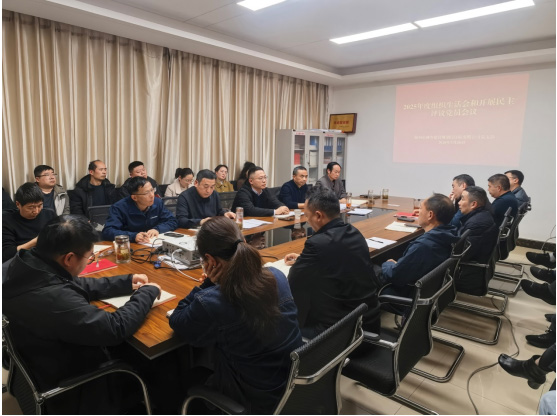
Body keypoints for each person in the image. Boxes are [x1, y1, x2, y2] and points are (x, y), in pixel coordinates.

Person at [2, 215, 161, 413]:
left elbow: (71, 283)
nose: (90, 261)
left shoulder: (28, 264)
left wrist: (126, 282)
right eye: (90, 257)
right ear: (69, 258)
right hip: (71, 381)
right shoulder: (54, 299)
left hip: (43, 356)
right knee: (155, 358)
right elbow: (115, 327)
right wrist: (147, 293)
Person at [169, 216, 302, 414]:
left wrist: (207, 283)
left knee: (184, 379)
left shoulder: (212, 301)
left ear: (210, 261)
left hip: (254, 402)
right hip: (294, 388)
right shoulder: (276, 275)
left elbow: (177, 320)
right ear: (244, 242)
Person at [284, 187, 380, 338]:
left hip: (337, 334)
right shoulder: (354, 233)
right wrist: (305, 259)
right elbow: (338, 257)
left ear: (318, 215)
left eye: (307, 216)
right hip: (368, 323)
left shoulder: (317, 244)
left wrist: (305, 261)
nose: (307, 221)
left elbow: (293, 282)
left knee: (276, 329)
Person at [375, 194, 458, 299]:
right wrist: (401, 264)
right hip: (427, 290)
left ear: (430, 215)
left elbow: (394, 276)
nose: (418, 211)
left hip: (407, 292)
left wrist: (388, 264)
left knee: (368, 266)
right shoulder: (448, 234)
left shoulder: (423, 246)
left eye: (421, 208)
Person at [102, 177, 177, 243]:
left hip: (152, 243)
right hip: (131, 246)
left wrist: (157, 229)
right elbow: (108, 231)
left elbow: (172, 221)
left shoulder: (157, 203)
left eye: (152, 190)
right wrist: (133, 236)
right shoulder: (119, 207)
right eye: (146, 193)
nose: (152, 195)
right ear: (134, 197)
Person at [454, 186, 499, 295]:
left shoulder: (475, 224)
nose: (459, 203)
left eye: (462, 199)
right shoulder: (482, 216)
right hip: (475, 269)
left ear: (473, 204)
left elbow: (461, 254)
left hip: (468, 275)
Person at [2, 183, 56, 263]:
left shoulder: (49, 214)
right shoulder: (7, 220)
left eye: (40, 205)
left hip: (48, 256)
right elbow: (6, 254)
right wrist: (35, 242)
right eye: (31, 207)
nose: (36, 211)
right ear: (18, 204)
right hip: (22, 260)